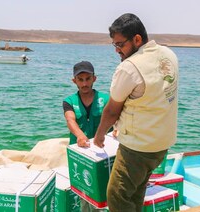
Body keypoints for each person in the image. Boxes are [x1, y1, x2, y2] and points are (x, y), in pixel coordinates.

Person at [93, 13, 179, 212]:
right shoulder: (169, 55)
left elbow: (112, 110)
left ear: (137, 39)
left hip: (138, 149)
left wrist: (99, 136)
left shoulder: (129, 68)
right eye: (114, 45)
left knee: (117, 195)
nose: (117, 51)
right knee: (137, 190)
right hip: (162, 144)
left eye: (120, 45)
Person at [63, 61, 109, 212]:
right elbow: (70, 119)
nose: (84, 83)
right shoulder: (69, 101)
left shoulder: (106, 99)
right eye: (80, 80)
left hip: (103, 152)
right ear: (74, 81)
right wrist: (80, 135)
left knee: (105, 192)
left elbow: (116, 119)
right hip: (80, 153)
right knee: (84, 194)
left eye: (88, 79)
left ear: (94, 79)